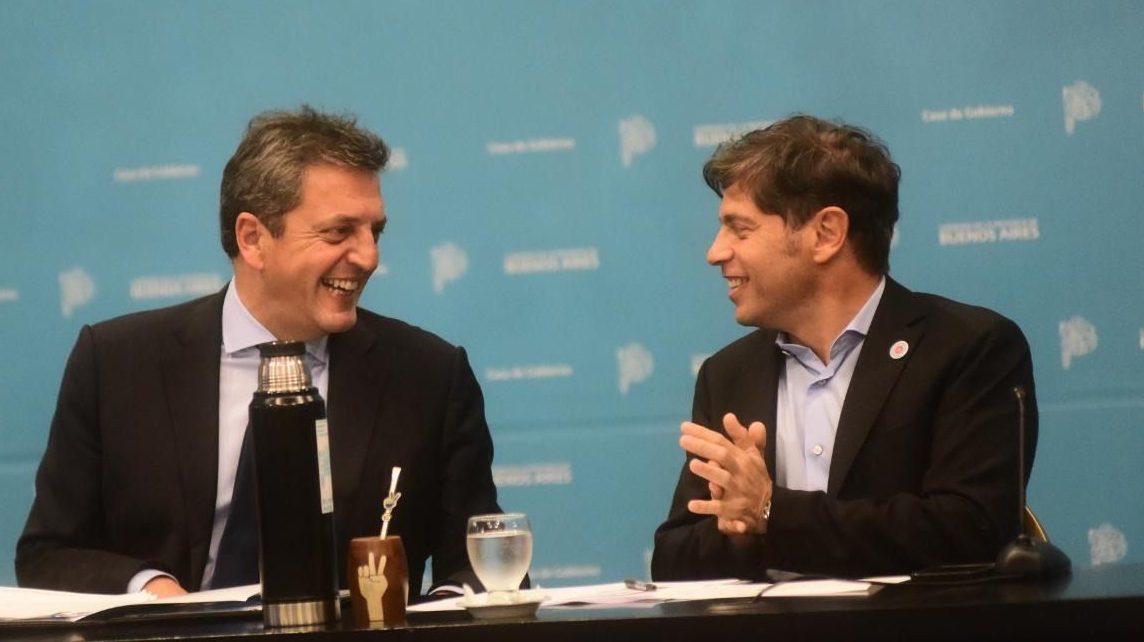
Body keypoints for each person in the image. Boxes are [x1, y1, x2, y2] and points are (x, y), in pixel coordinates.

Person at [17, 106, 503, 598]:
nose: (369, 256)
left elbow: (484, 567)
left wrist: (433, 618)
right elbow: (48, 555)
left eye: (374, 232)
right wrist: (150, 590)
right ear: (253, 239)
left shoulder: (428, 376)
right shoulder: (116, 364)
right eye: (339, 232)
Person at [652, 115, 1038, 580]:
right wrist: (742, 532)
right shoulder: (728, 373)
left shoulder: (969, 349)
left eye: (740, 229)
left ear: (826, 233)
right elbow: (673, 558)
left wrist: (772, 512)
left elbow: (970, 531)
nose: (715, 252)